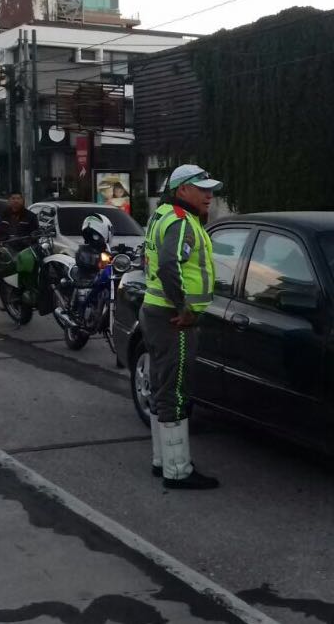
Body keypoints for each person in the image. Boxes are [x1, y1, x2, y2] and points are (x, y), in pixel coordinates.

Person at [141, 164, 222, 490]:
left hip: (156, 312)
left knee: (163, 387)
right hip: (172, 318)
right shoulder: (180, 221)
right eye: (202, 189)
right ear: (182, 190)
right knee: (175, 391)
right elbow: (169, 263)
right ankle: (178, 471)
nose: (209, 195)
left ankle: (163, 462)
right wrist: (184, 308)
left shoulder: (162, 214)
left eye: (210, 189)